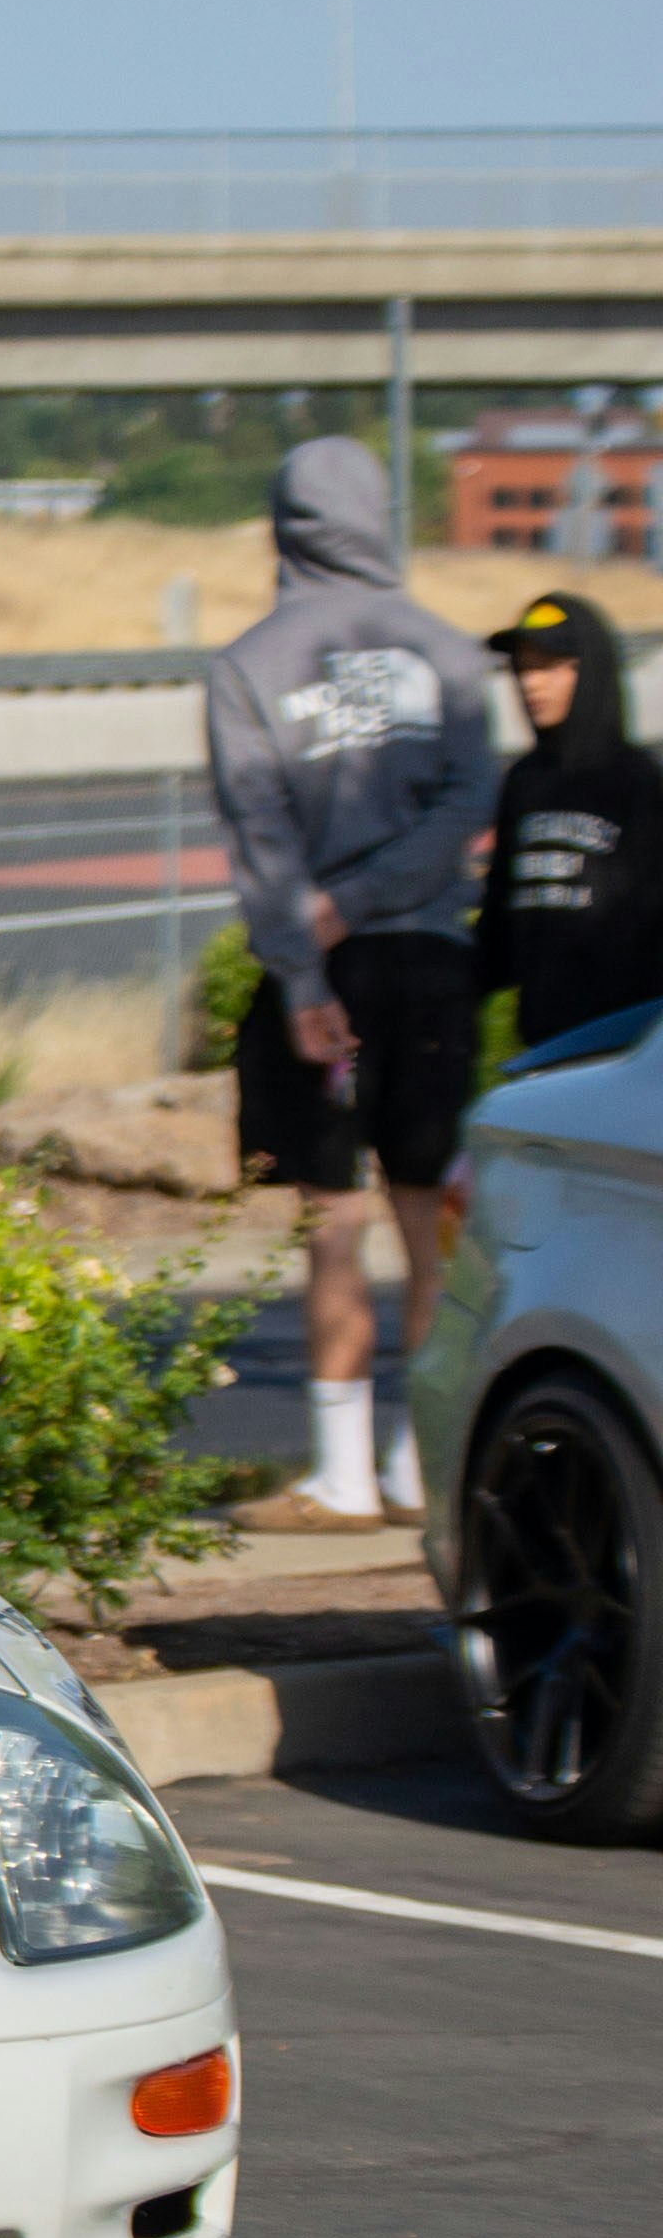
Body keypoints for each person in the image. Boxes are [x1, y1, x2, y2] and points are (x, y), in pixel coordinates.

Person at [203, 432, 494, 1528]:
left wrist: (305, 951)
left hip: (310, 975)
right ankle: (423, 1464)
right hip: (427, 960)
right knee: (423, 1216)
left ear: (283, 526)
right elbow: (465, 807)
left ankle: (338, 1475)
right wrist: (371, 897)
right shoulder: (450, 654)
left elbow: (256, 833)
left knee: (331, 1219)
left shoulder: (246, 664)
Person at [478, 589, 663, 1056]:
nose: (530, 684)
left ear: (592, 671)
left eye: (549, 666)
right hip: (542, 1047)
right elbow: (499, 926)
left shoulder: (639, 783)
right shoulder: (524, 781)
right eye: (522, 667)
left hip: (622, 1050)